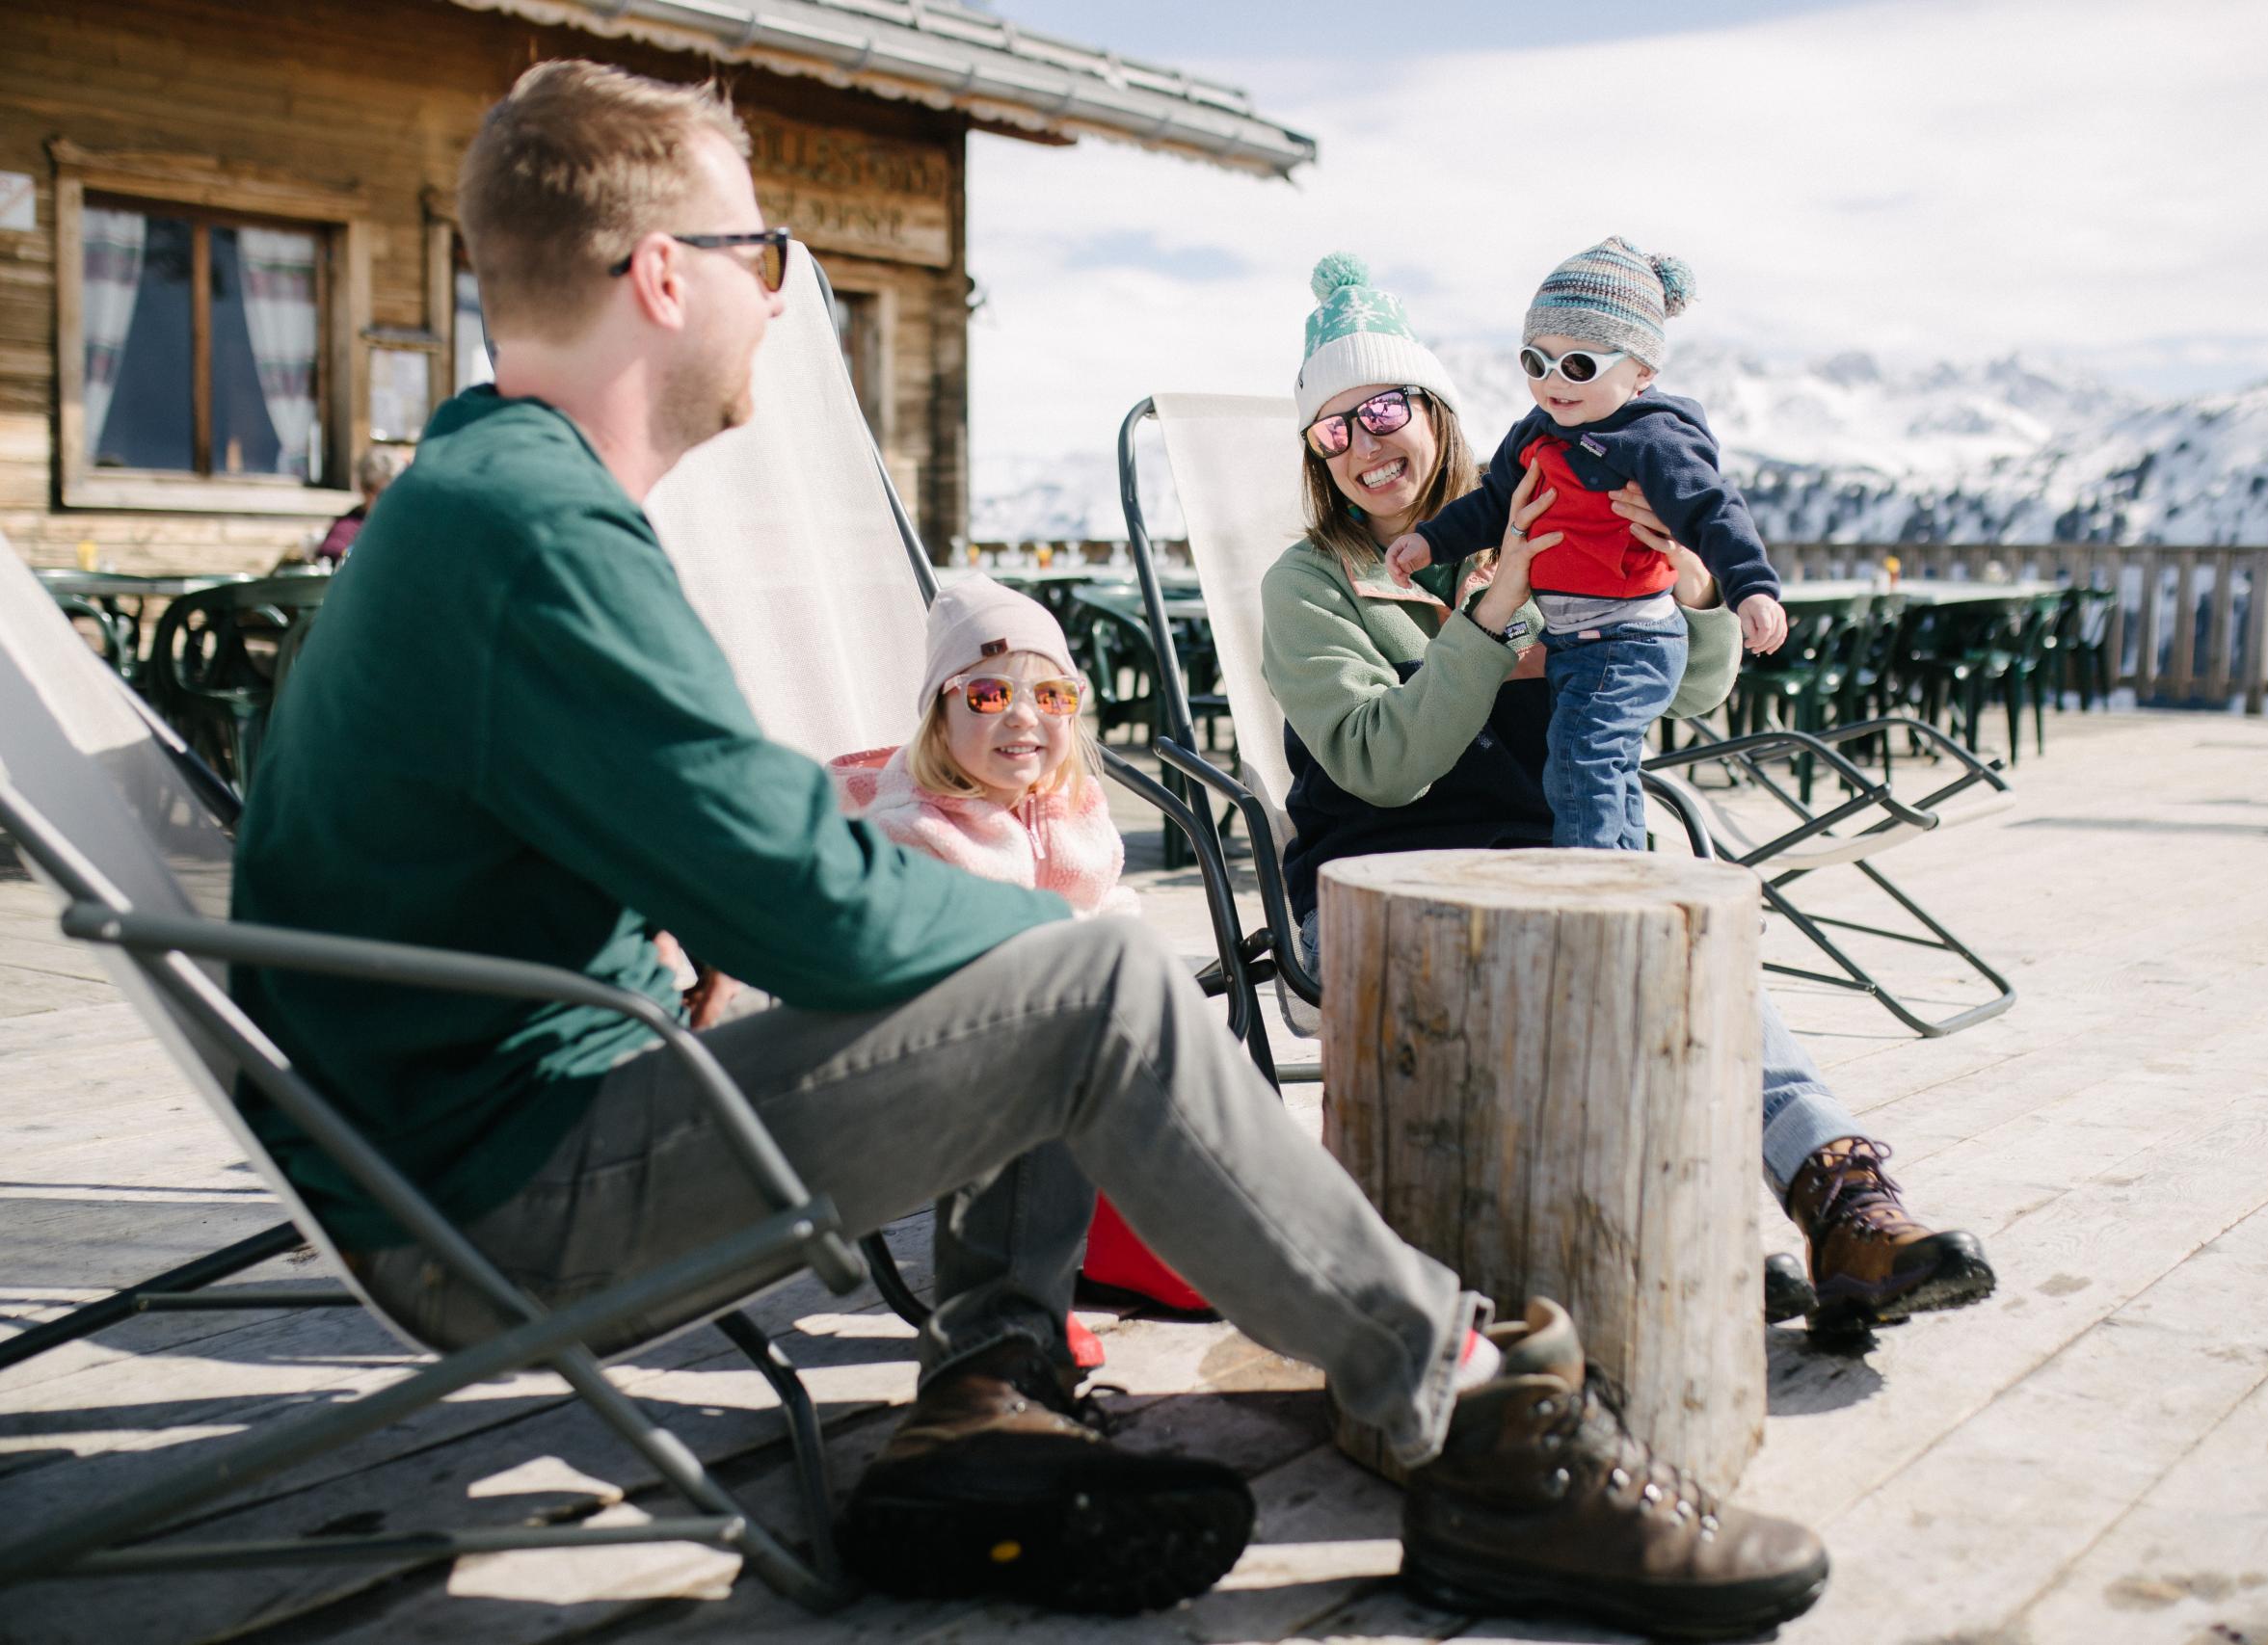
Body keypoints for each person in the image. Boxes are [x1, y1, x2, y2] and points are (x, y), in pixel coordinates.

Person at [225, 62, 1828, 1635]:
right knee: (1093, 985)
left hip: (479, 1129)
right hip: (495, 1197)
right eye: (767, 260)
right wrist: (1045, 965)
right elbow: (825, 916)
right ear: (664, 277)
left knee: (1036, 955)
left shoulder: (479, 492)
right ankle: (1487, 1425)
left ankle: (991, 1381)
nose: (785, 304)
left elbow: (687, 861)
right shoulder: (534, 537)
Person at [1263, 256, 1996, 1333]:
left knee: (1678, 941)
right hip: (1372, 893)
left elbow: (1687, 695)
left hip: (1549, 857)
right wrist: (1494, 605)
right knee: (1587, 953)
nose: (1365, 445)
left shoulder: (1556, 497)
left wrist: (1689, 585)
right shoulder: (1311, 582)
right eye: (1333, 430)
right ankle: (1662, 1229)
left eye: (1382, 410)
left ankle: (1841, 1200)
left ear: (1435, 412)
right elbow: (1379, 761)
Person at [829, 574, 1208, 1320]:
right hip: (944, 1077)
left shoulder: (1066, 809)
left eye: (1053, 697)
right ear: (940, 713)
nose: (1023, 718)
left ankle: (1153, 1228)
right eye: (988, 696)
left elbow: (1102, 910)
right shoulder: (910, 835)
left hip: (1066, 1050)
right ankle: (1050, 1279)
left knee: (1174, 1043)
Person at [1371, 241, 1788, 853]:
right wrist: (1431, 541)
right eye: (1535, 362)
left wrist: (1750, 587)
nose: (1552, 382)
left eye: (1578, 366)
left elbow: (1712, 511)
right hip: (1571, 638)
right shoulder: (1536, 434)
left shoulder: (1654, 441)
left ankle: (1589, 882)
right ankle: (1623, 874)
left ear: (1641, 371)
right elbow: (1492, 505)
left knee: (1581, 762)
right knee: (1602, 767)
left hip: (1631, 636)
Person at [312, 445, 411, 565]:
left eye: (397, 493)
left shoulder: (405, 523)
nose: (391, 501)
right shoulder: (348, 526)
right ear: (364, 490)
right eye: (382, 494)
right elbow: (332, 553)